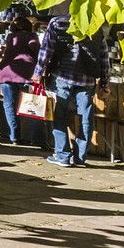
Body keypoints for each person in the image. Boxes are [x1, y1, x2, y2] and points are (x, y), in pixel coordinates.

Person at [35, 15, 105, 166]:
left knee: (59, 116)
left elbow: (46, 49)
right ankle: (79, 158)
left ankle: (62, 156)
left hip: (62, 76)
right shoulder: (95, 23)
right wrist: (105, 81)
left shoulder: (58, 22)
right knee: (86, 118)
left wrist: (38, 72)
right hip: (87, 78)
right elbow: (103, 54)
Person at [0, 11, 44, 147]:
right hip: (25, 74)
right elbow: (38, 51)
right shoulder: (31, 36)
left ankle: (14, 136)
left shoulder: (11, 36)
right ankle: (36, 139)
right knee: (32, 105)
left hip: (6, 73)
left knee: (9, 105)